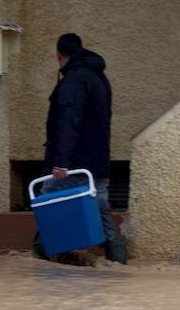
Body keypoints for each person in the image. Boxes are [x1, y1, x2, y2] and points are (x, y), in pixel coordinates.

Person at [35, 33, 126, 264]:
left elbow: (68, 122)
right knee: (100, 202)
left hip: (75, 160)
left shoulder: (73, 81)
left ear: (59, 56)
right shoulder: (99, 77)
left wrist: (61, 162)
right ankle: (117, 257)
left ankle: (40, 256)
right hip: (98, 158)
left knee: (49, 197)